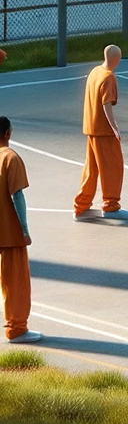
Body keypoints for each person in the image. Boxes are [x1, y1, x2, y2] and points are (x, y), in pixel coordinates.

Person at [74, 45, 128, 220]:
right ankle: (110, 206)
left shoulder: (95, 71)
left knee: (91, 169)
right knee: (113, 167)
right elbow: (106, 105)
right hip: (103, 130)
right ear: (117, 59)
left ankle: (81, 206)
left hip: (91, 127)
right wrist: (114, 127)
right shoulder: (109, 77)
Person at [0, 117, 41, 344]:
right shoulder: (11, 158)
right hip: (8, 231)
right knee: (15, 281)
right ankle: (16, 328)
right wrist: (24, 229)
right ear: (7, 133)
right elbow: (17, 196)